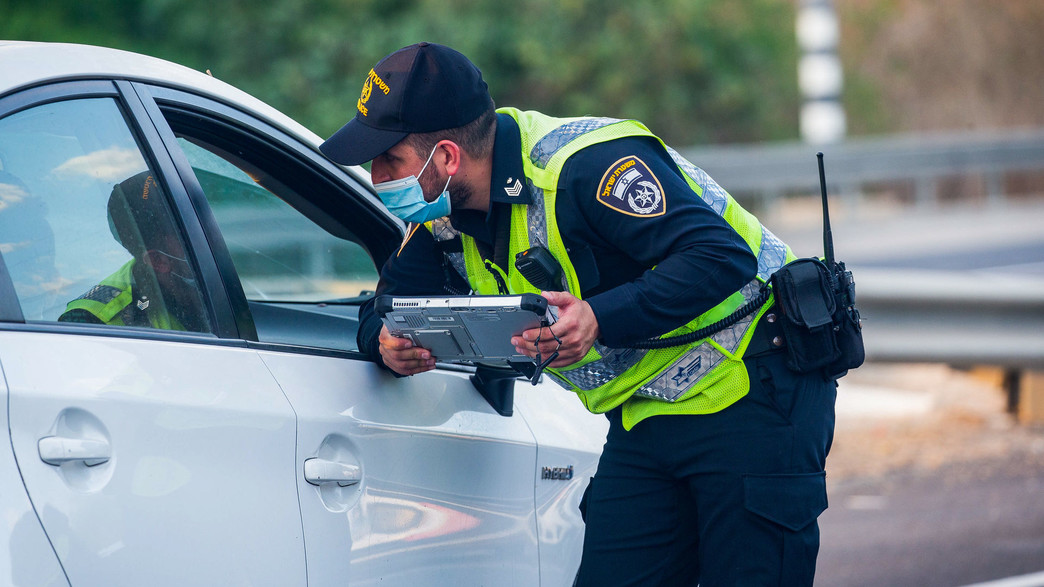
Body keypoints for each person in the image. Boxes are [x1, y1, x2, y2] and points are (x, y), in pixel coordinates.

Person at [322, 42, 835, 586]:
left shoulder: (584, 167)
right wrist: (386, 343)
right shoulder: (442, 216)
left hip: (756, 387)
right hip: (646, 414)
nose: (376, 176)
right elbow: (387, 307)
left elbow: (723, 255)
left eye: (389, 159)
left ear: (446, 157)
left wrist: (598, 318)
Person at [59, 171, 208, 332]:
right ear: (157, 261)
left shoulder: (223, 268)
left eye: (198, 216)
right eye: (188, 230)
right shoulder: (89, 321)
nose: (205, 231)